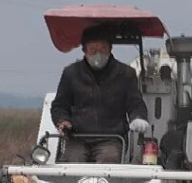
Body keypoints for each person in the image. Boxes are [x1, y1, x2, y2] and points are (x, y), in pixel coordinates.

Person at [50, 24, 151, 163]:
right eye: (93, 50)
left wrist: (138, 117)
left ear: (110, 49)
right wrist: (63, 121)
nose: (98, 54)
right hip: (77, 137)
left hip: (112, 138)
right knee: (72, 162)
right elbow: (59, 105)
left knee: (108, 160)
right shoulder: (71, 73)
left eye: (103, 49)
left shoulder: (126, 73)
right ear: (84, 51)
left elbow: (135, 102)